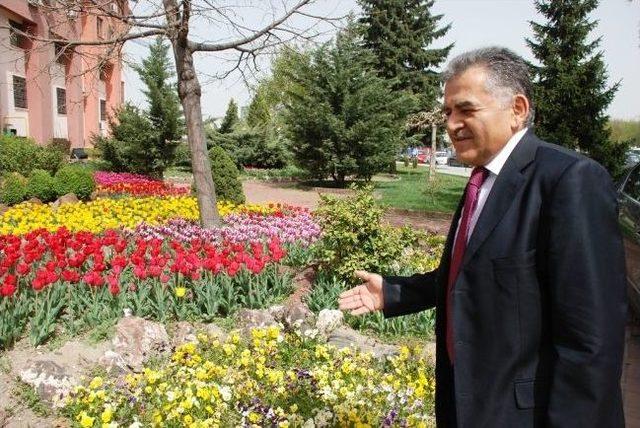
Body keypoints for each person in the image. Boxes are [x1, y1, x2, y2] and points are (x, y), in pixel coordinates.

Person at [338, 47, 627, 427]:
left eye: (466, 110)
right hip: (471, 404)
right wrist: (395, 292)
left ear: (517, 110)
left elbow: (592, 340)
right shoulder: (482, 180)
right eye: (447, 112)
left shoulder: (569, 180)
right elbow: (478, 274)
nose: (452, 124)